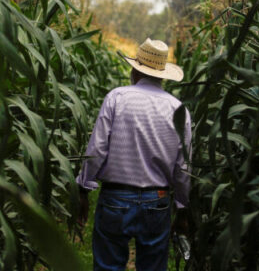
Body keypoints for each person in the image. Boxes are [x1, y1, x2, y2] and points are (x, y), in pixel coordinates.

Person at [76, 38, 192, 271]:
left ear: (135, 70)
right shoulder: (178, 109)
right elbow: (183, 167)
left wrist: (83, 188)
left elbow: (97, 149)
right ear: (162, 75)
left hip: (114, 200)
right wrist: (182, 208)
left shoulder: (117, 98)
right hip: (156, 201)